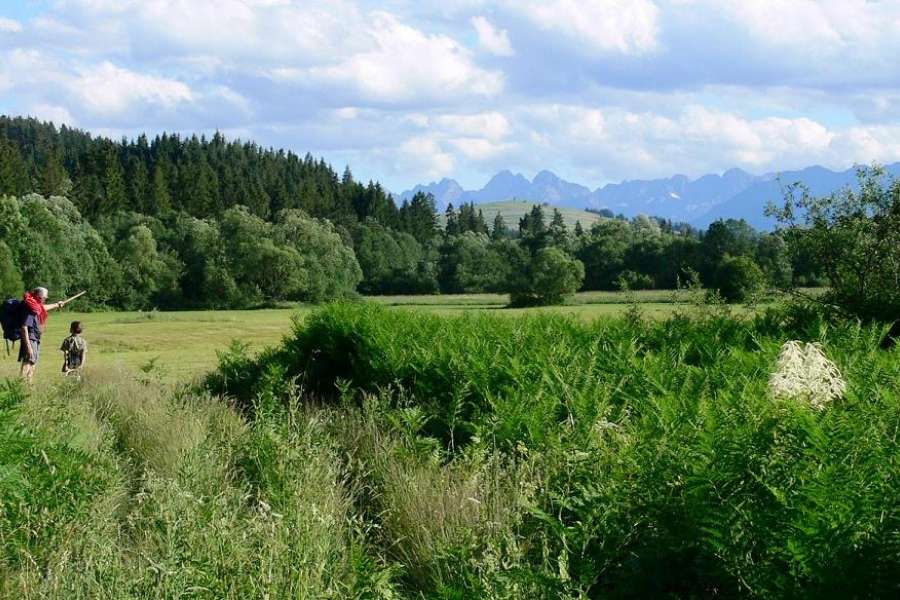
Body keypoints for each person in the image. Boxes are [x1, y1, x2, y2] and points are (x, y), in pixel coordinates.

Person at [18, 287, 68, 383]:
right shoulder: (30, 309)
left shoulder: (35, 306)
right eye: (44, 297)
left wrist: (57, 304)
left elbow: (43, 307)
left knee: (33, 363)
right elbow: (24, 328)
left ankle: (29, 387)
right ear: (38, 296)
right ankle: (19, 388)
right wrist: (28, 347)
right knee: (28, 362)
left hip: (35, 338)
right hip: (30, 339)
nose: (44, 299)